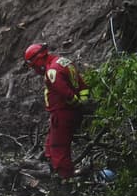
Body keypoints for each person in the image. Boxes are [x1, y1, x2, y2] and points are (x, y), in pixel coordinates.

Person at [24, 42, 89, 179]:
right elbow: (82, 85)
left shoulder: (52, 71)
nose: (35, 70)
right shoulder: (64, 62)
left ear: (40, 58)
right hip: (65, 113)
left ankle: (65, 180)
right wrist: (83, 103)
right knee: (50, 146)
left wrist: (75, 105)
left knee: (58, 149)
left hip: (62, 114)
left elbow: (66, 93)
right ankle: (52, 171)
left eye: (35, 66)